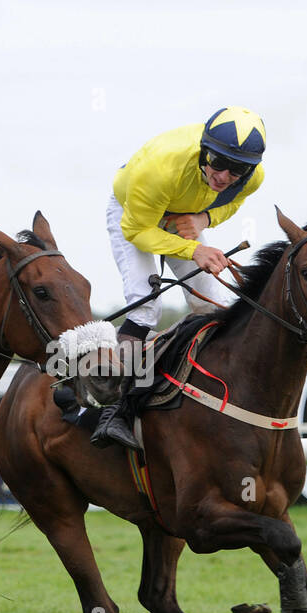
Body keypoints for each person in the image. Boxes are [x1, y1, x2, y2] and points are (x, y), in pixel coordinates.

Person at [92, 106, 267, 449]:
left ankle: (213, 393)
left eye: (238, 169)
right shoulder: (161, 168)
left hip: (178, 211)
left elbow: (231, 201)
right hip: (134, 212)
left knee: (213, 303)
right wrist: (195, 250)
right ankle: (114, 411)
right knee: (146, 307)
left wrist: (203, 219)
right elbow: (137, 230)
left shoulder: (251, 177)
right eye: (217, 162)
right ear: (205, 150)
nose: (224, 176)